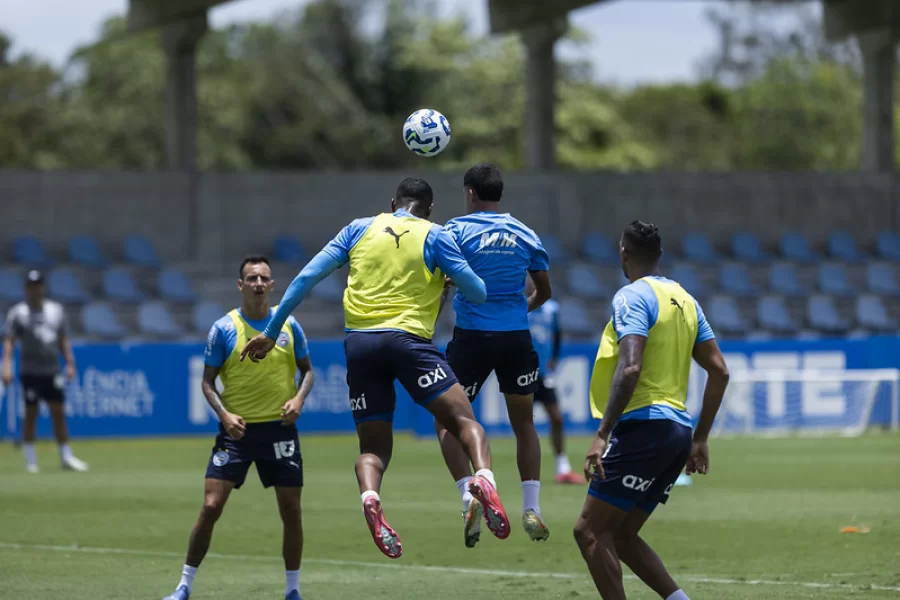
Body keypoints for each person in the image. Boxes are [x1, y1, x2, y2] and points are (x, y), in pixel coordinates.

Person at [241, 178, 511, 560]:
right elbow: (479, 292)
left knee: (374, 449)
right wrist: (449, 278)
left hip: (361, 346)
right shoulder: (436, 235)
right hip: (409, 342)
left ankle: (370, 496)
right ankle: (483, 480)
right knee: (465, 422)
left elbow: (306, 278)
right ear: (430, 209)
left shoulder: (358, 229)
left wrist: (271, 331)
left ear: (392, 203)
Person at [573, 221, 730, 600]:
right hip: (677, 432)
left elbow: (630, 368)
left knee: (589, 531)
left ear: (623, 252)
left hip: (644, 428)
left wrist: (601, 434)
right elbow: (720, 372)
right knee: (622, 534)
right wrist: (700, 438)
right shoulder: (686, 301)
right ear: (659, 255)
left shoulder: (632, 297)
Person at [162, 255, 315, 600]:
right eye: (251, 278)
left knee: (291, 510)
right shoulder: (224, 328)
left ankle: (293, 590)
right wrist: (225, 416)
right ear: (240, 285)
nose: (258, 283)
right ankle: (184, 586)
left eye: (263, 278)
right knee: (211, 507)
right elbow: (207, 382)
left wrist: (299, 399)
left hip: (279, 430)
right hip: (237, 433)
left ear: (272, 285)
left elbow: (308, 371)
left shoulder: (288, 325)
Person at [436, 163, 553, 548]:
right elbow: (544, 291)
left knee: (449, 422)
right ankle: (531, 508)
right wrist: (517, 312)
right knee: (524, 424)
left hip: (472, 339)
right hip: (516, 338)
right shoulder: (524, 233)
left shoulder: (455, 231)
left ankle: (468, 496)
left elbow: (440, 280)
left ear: (470, 192)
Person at [1, 270, 87, 473]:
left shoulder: (55, 311)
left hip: (52, 369)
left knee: (58, 412)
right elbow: (10, 342)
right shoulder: (18, 313)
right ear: (26, 289)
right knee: (31, 413)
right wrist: (6, 365)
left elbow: (63, 338)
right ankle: (30, 460)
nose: (35, 290)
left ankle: (66, 456)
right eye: (31, 286)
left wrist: (70, 362)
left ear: (43, 288)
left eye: (38, 285)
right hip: (30, 371)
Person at [525, 277, 583, 485]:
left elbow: (557, 334)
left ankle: (562, 466)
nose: (532, 285)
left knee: (557, 418)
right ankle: (529, 472)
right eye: (529, 282)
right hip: (523, 372)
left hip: (544, 373)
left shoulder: (552, 309)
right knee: (524, 422)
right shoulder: (521, 308)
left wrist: (555, 358)